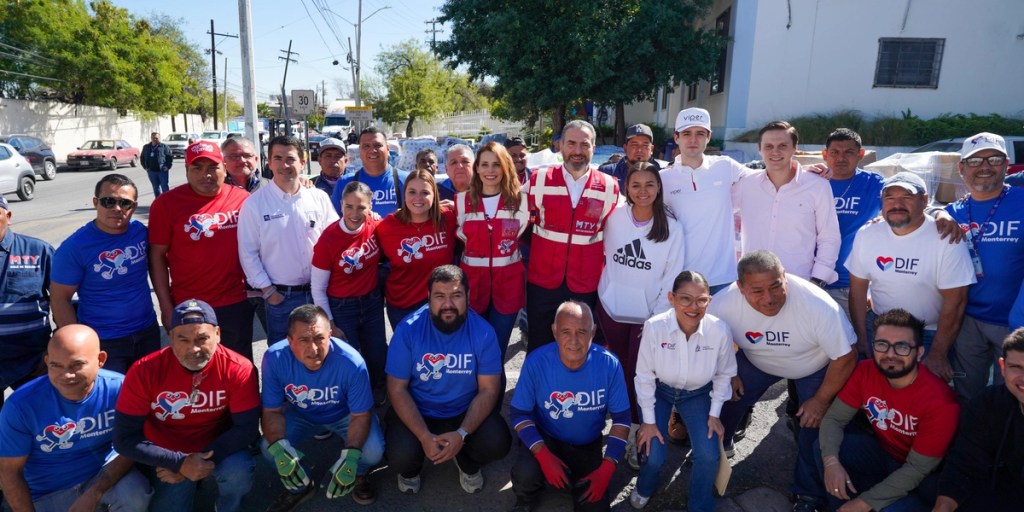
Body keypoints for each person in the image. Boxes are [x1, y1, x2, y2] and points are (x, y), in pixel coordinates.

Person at [710, 250, 857, 512]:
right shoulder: (722, 303)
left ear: (785, 278)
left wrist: (821, 400)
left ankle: (808, 494)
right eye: (757, 291)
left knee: (814, 425)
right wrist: (728, 373)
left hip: (814, 365)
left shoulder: (817, 304)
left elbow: (846, 356)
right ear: (740, 288)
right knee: (724, 397)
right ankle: (717, 456)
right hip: (758, 361)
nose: (769, 298)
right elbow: (709, 341)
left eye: (776, 286)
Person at [113, 299, 260, 512]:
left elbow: (247, 429)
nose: (194, 349)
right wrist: (178, 462)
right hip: (166, 453)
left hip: (216, 446)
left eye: (202, 338)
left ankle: (228, 506)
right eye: (183, 339)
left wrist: (193, 462)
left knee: (238, 470)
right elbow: (124, 439)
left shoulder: (238, 368)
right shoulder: (144, 371)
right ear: (170, 336)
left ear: (217, 334)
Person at [815, 309, 959, 512]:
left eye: (901, 347)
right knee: (827, 449)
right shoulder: (866, 370)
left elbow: (917, 469)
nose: (890, 354)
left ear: (919, 353)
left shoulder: (940, 402)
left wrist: (863, 503)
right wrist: (831, 464)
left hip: (924, 476)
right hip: (883, 453)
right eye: (882, 345)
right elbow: (835, 419)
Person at [385, 265, 511, 495]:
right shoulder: (408, 330)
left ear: (468, 297)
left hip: (463, 410)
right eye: (440, 296)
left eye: (456, 295)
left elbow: (489, 390)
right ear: (428, 297)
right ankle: (410, 470)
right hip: (419, 410)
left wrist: (462, 433)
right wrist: (423, 435)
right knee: (399, 455)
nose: (448, 304)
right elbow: (396, 389)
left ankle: (466, 462)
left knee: (498, 442)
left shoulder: (483, 332)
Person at [0, 325, 151, 512]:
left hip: (102, 480)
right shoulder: (22, 405)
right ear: (47, 362)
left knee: (135, 494)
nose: (66, 375)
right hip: (44, 494)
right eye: (56, 365)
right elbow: (9, 471)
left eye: (76, 365)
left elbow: (131, 444)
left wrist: (95, 492)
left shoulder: (121, 389)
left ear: (100, 360)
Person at [846, 172, 975, 379]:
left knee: (921, 399)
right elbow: (858, 291)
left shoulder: (945, 237)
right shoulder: (867, 234)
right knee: (877, 392)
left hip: (928, 334)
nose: (897, 204)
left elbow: (956, 301)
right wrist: (862, 337)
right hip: (879, 329)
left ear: (924, 200)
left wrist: (938, 353)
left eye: (906, 197)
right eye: (890, 197)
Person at [509, 300, 630, 512]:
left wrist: (608, 466)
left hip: (587, 444)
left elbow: (621, 419)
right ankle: (526, 499)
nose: (574, 341)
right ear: (554, 331)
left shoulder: (609, 364)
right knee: (525, 473)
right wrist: (543, 455)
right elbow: (519, 413)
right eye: (566, 331)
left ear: (593, 331)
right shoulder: (537, 361)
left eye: (582, 332)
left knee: (596, 507)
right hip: (547, 438)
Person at [260, 305, 385, 509]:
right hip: (301, 414)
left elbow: (361, 415)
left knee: (373, 452)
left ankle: (358, 473)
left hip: (347, 414)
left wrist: (351, 457)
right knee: (269, 448)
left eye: (319, 338)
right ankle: (300, 486)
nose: (314, 349)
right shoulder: (274, 358)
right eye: (303, 340)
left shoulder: (352, 362)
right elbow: (272, 411)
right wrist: (281, 449)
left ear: (330, 334)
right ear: (290, 341)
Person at [631, 271, 737, 511]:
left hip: (698, 394)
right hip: (659, 391)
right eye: (685, 299)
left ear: (709, 300)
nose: (694, 306)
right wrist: (647, 422)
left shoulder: (720, 330)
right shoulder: (654, 327)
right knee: (653, 452)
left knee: (709, 455)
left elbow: (724, 374)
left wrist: (714, 414)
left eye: (701, 300)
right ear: (671, 298)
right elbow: (644, 376)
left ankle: (699, 504)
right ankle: (644, 487)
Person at [596, 162, 683, 437]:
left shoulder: (672, 228)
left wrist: (656, 315)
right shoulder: (613, 217)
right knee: (615, 368)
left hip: (647, 316)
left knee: (639, 374)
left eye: (649, 184)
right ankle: (613, 419)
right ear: (626, 188)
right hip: (611, 309)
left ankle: (634, 430)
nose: (642, 191)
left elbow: (673, 275)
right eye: (636, 185)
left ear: (659, 188)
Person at [148, 141, 255, 359]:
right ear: (186, 171)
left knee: (238, 367)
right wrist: (166, 308)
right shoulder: (166, 204)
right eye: (197, 168)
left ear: (224, 168)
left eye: (212, 167)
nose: (205, 175)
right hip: (188, 304)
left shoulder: (243, 199)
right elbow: (157, 257)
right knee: (193, 368)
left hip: (235, 303)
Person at [944, 132, 1024, 404]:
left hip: (1015, 323)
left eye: (993, 159)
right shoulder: (952, 212)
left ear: (1007, 164)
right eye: (975, 160)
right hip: (967, 322)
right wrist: (936, 212)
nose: (984, 166)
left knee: (1013, 397)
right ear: (962, 168)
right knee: (968, 395)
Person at [526, 120, 619, 352]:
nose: (577, 151)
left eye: (584, 145)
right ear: (560, 146)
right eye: (571, 143)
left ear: (594, 147)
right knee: (539, 345)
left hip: (585, 284)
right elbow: (510, 215)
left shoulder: (610, 187)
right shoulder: (538, 180)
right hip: (542, 282)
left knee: (579, 349)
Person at [50, 174, 158, 374]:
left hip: (147, 332)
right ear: (95, 203)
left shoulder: (140, 232)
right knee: (110, 402)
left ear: (133, 207)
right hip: (103, 341)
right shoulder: (74, 247)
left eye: (124, 203)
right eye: (109, 201)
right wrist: (77, 344)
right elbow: (59, 299)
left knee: (148, 396)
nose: (117, 208)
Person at [237, 135, 339, 343]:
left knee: (321, 350)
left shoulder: (319, 198)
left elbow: (336, 240)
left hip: (320, 292)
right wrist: (268, 291)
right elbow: (248, 252)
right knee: (283, 355)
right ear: (269, 162)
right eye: (278, 158)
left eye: (291, 159)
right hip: (281, 298)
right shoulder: (254, 204)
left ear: (302, 163)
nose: (285, 165)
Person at [734, 121, 841, 286]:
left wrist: (818, 280)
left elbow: (829, 237)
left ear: (795, 147)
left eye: (782, 145)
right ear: (759, 149)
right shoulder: (745, 184)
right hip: (752, 284)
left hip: (798, 283)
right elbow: (715, 211)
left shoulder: (817, 186)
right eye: (768, 146)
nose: (775, 152)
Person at [933, 328, 1024, 511]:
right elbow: (964, 462)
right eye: (1016, 367)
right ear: (1002, 367)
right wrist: (943, 507)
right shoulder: (988, 403)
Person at [312, 181, 388, 397]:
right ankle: (355, 400)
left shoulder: (375, 225)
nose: (354, 213)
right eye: (349, 206)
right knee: (350, 359)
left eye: (361, 207)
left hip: (372, 302)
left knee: (377, 354)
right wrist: (330, 324)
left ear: (370, 206)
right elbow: (317, 288)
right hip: (342, 307)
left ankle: (377, 393)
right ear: (341, 205)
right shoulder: (328, 239)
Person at [455, 141, 529, 358]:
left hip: (507, 289)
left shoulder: (522, 202)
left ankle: (495, 393)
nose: (490, 170)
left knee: (496, 350)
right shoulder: (460, 202)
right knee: (473, 350)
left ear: (505, 167)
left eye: (496, 165)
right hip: (472, 289)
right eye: (484, 164)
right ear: (476, 168)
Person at [375, 169, 457, 328]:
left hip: (439, 304)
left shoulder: (448, 219)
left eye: (425, 192)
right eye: (412, 192)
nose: (418, 198)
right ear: (404, 194)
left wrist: (458, 205)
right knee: (408, 352)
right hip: (402, 305)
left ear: (435, 195)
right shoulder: (387, 226)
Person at [821, 128, 885, 315]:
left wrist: (941, 214)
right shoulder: (812, 182)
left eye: (849, 152)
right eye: (834, 152)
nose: (841, 158)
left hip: (853, 285)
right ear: (825, 155)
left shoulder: (875, 184)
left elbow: (909, 202)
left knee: (854, 341)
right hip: (813, 280)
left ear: (861, 154)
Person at [0, 194, 53, 409]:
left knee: (41, 424)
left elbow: (67, 301)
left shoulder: (38, 251)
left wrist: (57, 351)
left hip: (33, 361)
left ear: (8, 215)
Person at [330, 127, 409, 218]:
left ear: (388, 149)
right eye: (366, 146)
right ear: (359, 150)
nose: (372, 150)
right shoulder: (344, 183)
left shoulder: (406, 180)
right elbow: (334, 221)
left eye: (377, 145)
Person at [598, 124, 661, 192]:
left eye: (644, 145)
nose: (639, 149)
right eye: (634, 145)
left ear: (651, 149)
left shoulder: (662, 176)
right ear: (625, 148)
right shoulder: (606, 173)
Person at [140, 132, 173, 197]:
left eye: (156, 138)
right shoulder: (146, 147)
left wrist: (168, 166)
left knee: (164, 186)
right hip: (151, 171)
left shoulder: (164, 146)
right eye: (153, 138)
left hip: (162, 171)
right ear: (151, 138)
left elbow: (169, 157)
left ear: (159, 138)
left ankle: (167, 201)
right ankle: (158, 202)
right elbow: (142, 157)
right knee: (155, 187)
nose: (155, 139)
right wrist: (145, 167)